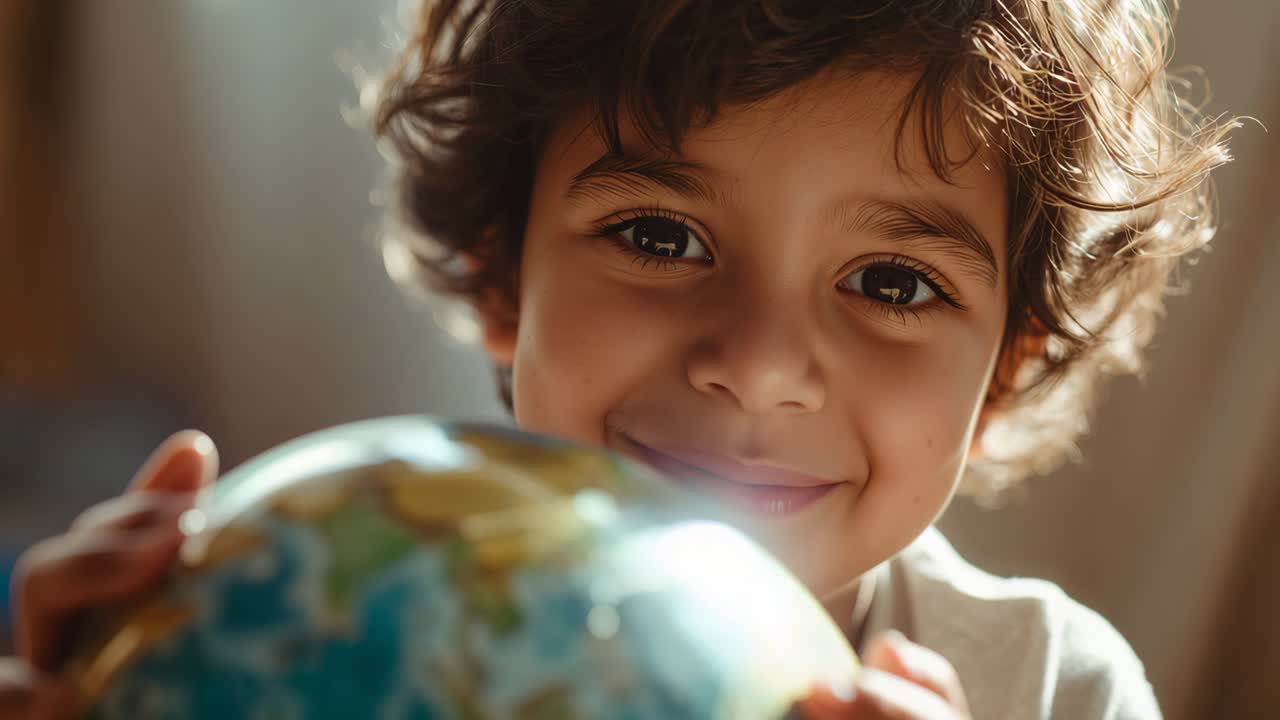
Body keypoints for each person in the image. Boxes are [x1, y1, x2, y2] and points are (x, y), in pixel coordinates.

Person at [1, 1, 1238, 718]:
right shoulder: (324, 609)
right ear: (500, 271)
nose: (756, 368)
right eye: (660, 236)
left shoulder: (1048, 690)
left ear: (1004, 371)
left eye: (892, 283)